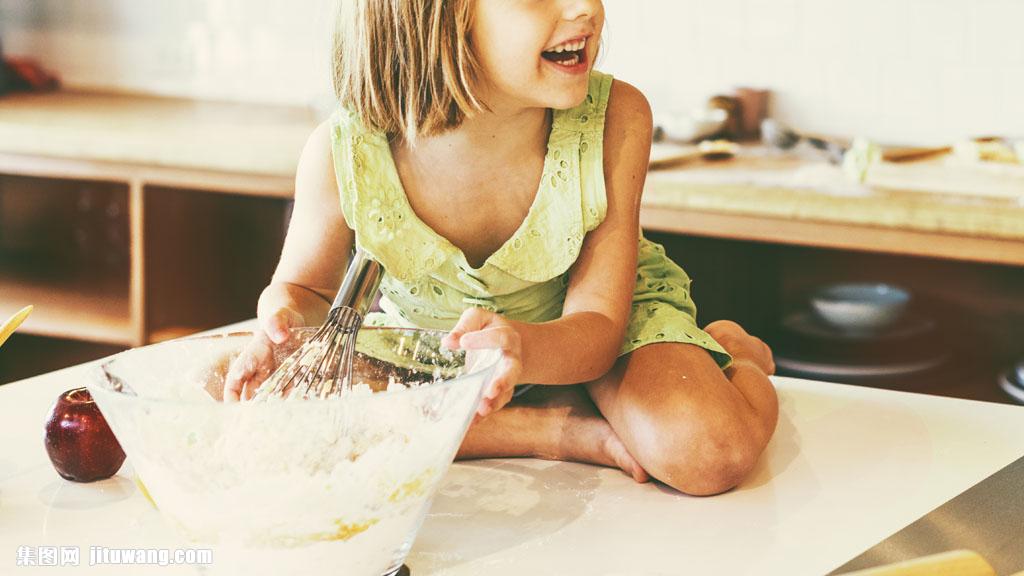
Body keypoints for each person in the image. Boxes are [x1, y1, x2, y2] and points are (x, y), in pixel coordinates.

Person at [225, 0, 778, 496]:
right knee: (259, 415)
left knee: (708, 452)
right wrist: (281, 321)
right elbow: (308, 290)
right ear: (432, 17)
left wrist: (526, 351)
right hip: (435, 351)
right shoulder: (341, 149)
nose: (586, 8)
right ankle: (552, 428)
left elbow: (598, 325)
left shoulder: (615, 120)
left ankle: (736, 353)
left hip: (589, 332)